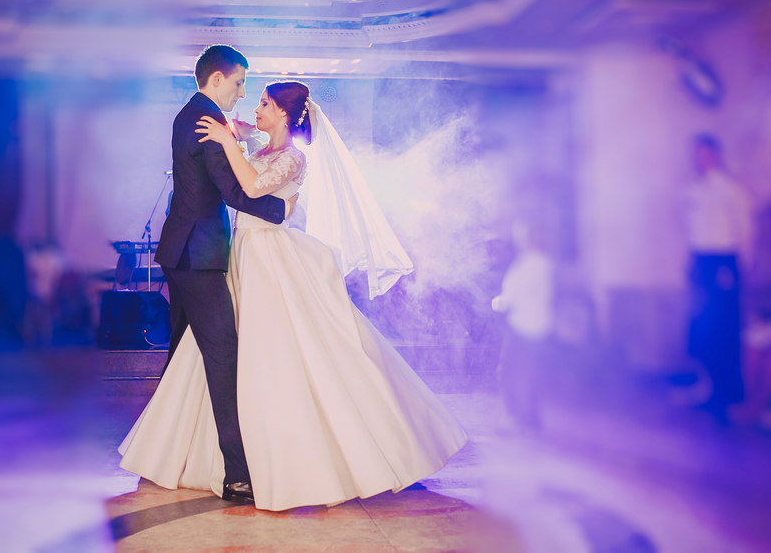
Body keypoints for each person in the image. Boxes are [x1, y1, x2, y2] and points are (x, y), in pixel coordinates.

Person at [119, 80, 467, 511]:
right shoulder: (264, 148)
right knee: (227, 352)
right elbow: (248, 167)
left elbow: (248, 188)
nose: (256, 107)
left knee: (284, 353)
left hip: (271, 259)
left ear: (284, 114)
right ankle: (224, 456)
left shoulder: (293, 157)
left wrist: (230, 141)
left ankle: (322, 455)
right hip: (242, 255)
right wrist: (241, 136)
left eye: (264, 102)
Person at [151, 45, 298, 505]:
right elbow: (236, 190)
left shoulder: (196, 115)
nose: (243, 92)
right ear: (217, 79)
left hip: (184, 251)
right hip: (198, 255)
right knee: (223, 356)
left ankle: (165, 456)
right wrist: (282, 209)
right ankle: (237, 475)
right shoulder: (207, 121)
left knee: (182, 359)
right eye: (239, 83)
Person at [683, 134, 753, 421]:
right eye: (697, 155)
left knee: (725, 327)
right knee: (701, 328)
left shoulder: (731, 190)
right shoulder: (690, 191)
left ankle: (729, 392)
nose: (701, 160)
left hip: (725, 260)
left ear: (717, 156)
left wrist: (740, 267)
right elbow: (690, 228)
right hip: (701, 260)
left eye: (706, 154)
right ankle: (709, 387)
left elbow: (744, 229)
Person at [491, 221, 554, 431]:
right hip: (541, 325)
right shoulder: (545, 263)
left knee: (508, 371)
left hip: (521, 326)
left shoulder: (526, 265)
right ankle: (532, 417)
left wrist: (497, 303)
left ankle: (514, 418)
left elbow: (510, 297)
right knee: (532, 372)